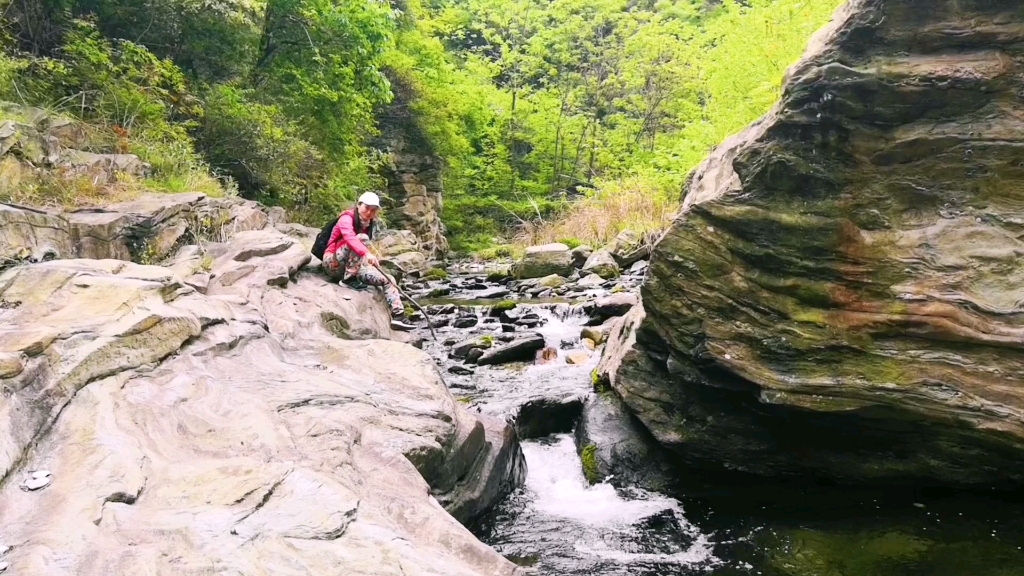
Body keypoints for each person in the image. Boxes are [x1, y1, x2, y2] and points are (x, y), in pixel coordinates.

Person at [321, 192, 404, 318]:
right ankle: (348, 280)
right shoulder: (346, 219)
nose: (369, 213)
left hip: (354, 268)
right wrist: (367, 253)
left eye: (373, 210)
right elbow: (350, 238)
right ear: (358, 205)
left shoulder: (368, 224)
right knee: (361, 238)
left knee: (388, 280)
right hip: (333, 264)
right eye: (366, 208)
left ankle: (398, 316)